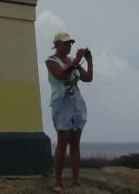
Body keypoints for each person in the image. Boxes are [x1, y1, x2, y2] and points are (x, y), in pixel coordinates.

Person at [46, 31, 93, 193]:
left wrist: (89, 61)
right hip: (62, 102)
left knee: (75, 143)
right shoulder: (51, 61)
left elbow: (87, 78)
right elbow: (59, 75)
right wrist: (77, 60)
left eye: (70, 43)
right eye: (65, 43)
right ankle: (58, 181)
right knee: (62, 141)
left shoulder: (73, 61)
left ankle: (75, 180)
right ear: (57, 44)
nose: (69, 46)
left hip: (76, 102)